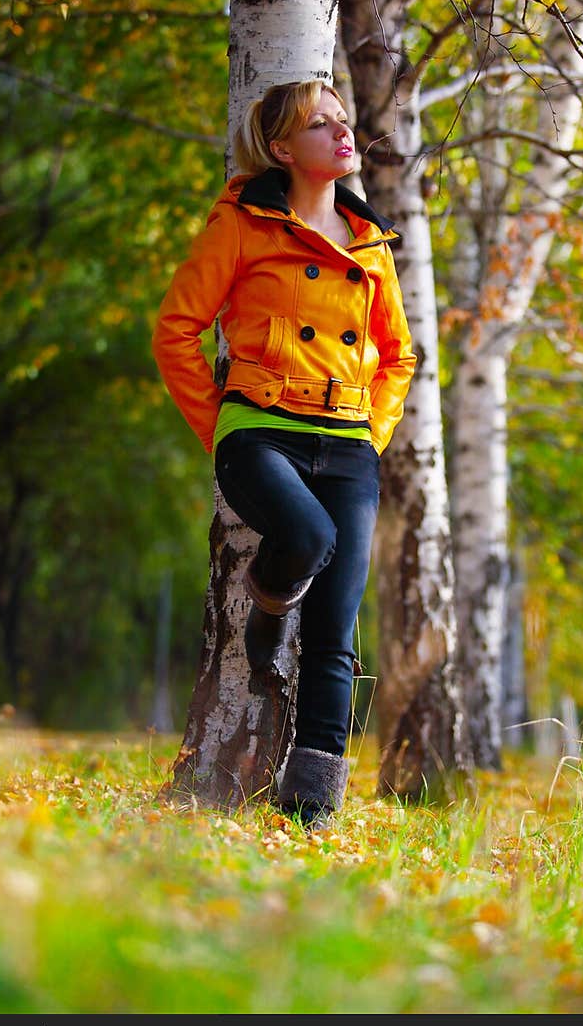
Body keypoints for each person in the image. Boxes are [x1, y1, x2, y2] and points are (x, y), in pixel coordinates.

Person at [152, 80, 417, 828]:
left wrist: (373, 432)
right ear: (280, 149)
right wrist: (221, 426)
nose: (343, 133)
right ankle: (270, 605)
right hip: (260, 429)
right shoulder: (242, 222)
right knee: (309, 539)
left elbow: (399, 355)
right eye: (320, 124)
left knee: (337, 635)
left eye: (343, 121)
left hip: (346, 440)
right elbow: (177, 329)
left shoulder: (370, 241)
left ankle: (311, 808)